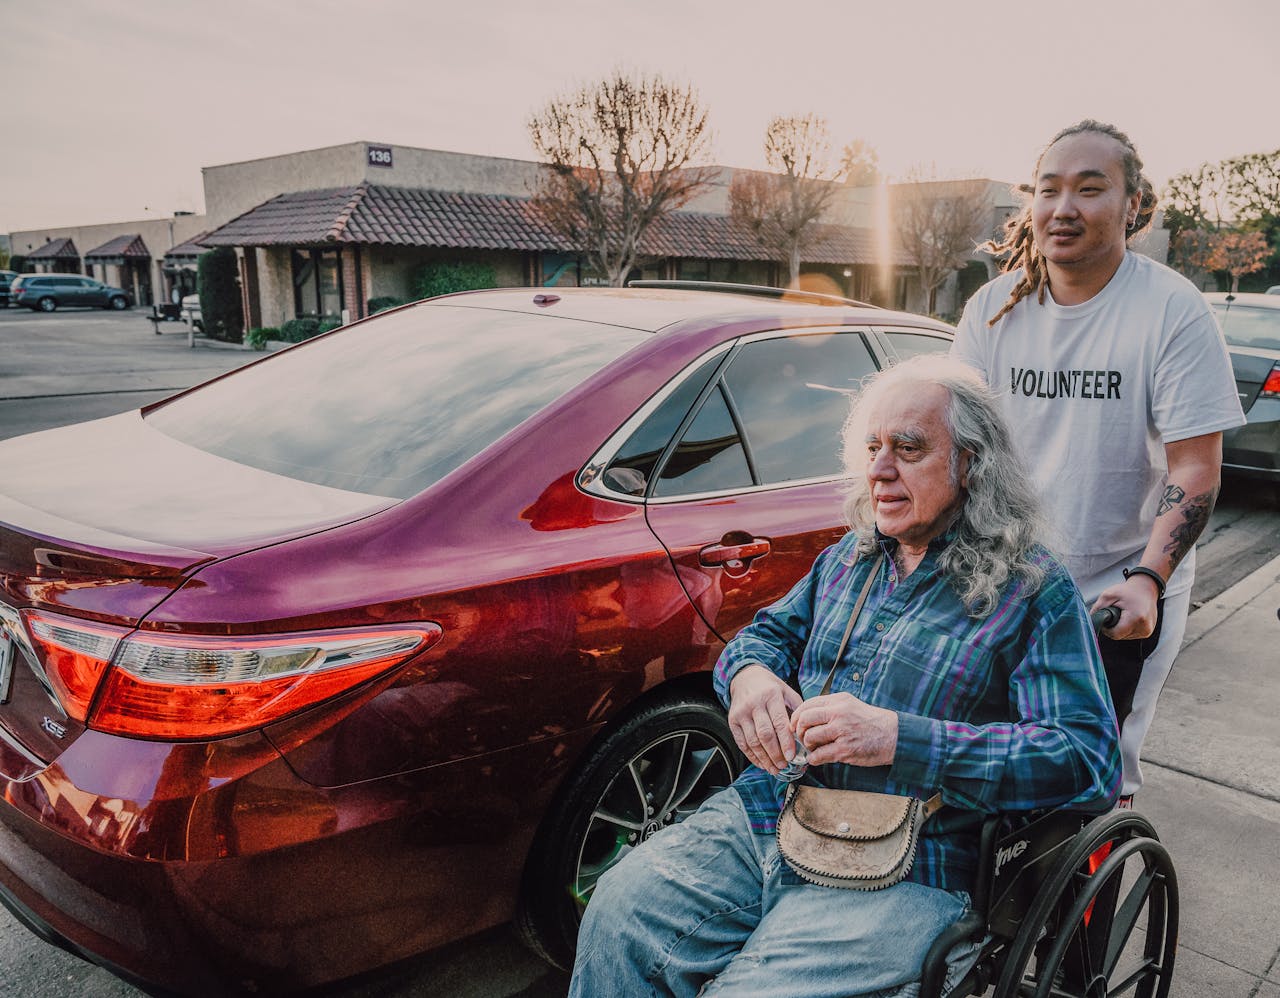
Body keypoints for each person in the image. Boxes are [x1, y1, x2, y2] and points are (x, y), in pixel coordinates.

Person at [569, 355, 1120, 998]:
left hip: (915, 860)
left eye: (908, 448)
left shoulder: (1031, 591)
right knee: (618, 910)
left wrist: (897, 738)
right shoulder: (851, 557)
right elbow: (766, 637)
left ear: (971, 463)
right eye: (872, 447)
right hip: (774, 814)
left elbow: (1087, 757)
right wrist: (749, 678)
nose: (880, 469)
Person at [951, 120, 1246, 798]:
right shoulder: (993, 310)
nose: (1064, 208)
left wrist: (1148, 579)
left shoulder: (1172, 311)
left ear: (1133, 206)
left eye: (1089, 189)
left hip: (1117, 592)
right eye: (1049, 190)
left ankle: (1092, 897)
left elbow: (1195, 468)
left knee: (1093, 773)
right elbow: (960, 445)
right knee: (985, 762)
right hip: (1004, 582)